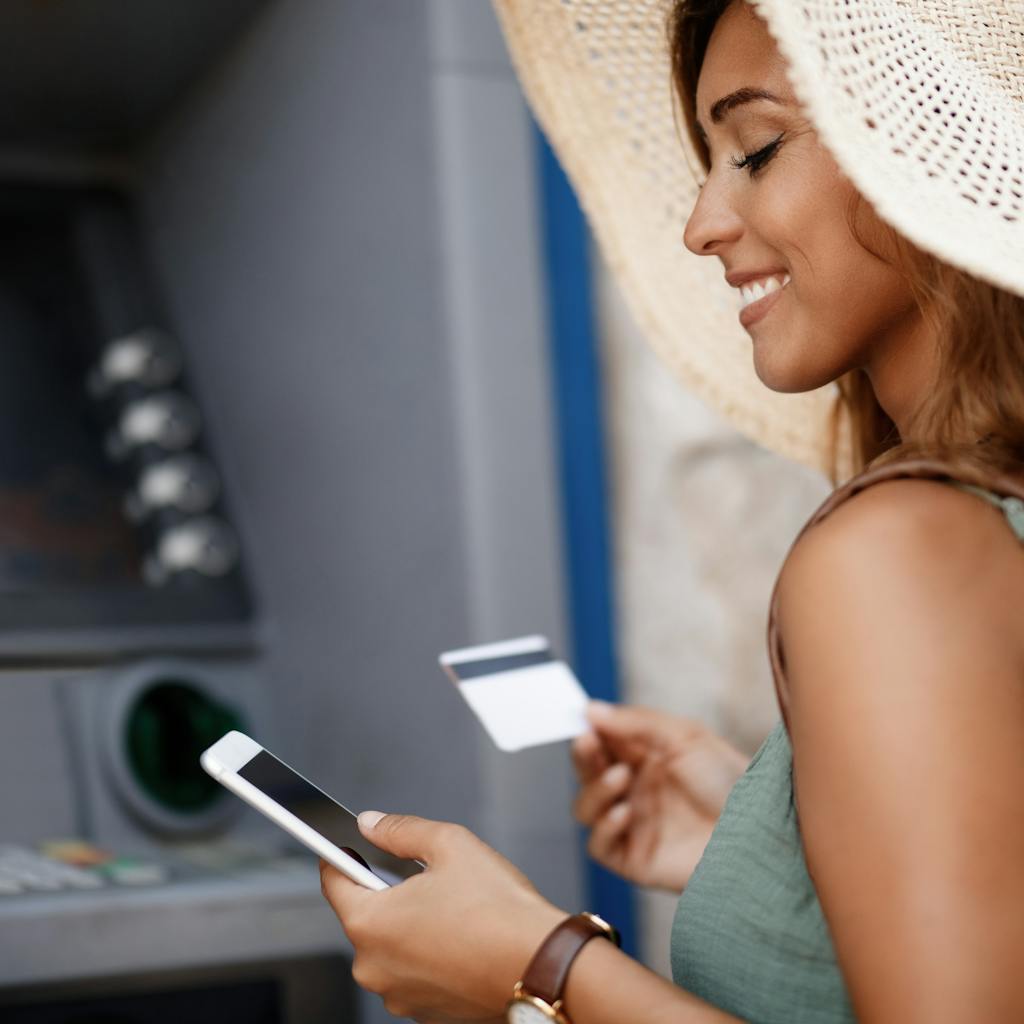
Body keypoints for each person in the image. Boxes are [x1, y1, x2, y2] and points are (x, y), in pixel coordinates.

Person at [320, 1, 1024, 1020]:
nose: (700, 224)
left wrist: (541, 969)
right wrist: (759, 846)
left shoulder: (897, 549)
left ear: (926, 143)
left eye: (758, 146)